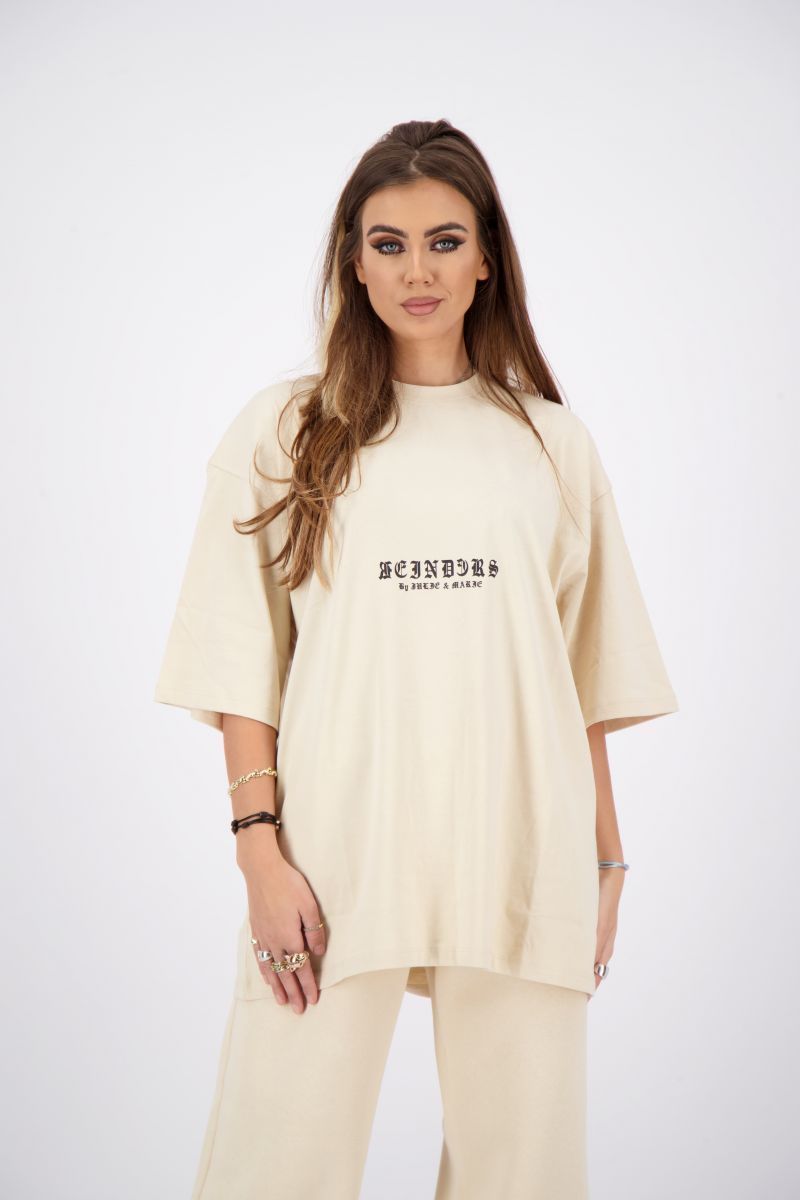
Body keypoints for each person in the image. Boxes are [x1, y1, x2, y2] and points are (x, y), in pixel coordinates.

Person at [154, 118, 679, 1200]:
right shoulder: (289, 429)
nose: (417, 270)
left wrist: (606, 865)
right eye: (387, 244)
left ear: (487, 257)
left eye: (444, 241)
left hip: (523, 847)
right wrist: (259, 852)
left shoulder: (550, 443)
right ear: (353, 261)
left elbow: (581, 677)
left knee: (523, 1171)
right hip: (332, 852)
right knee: (275, 1160)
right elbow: (239, 657)